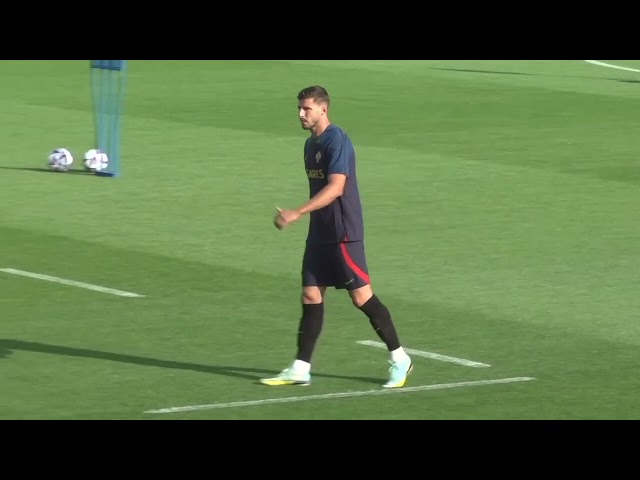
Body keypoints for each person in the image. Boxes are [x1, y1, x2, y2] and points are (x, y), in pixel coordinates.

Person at [260, 85, 413, 389]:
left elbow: (336, 188)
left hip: (344, 233)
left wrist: (297, 212)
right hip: (320, 233)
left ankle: (400, 358)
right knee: (311, 294)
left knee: (361, 297)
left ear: (323, 109)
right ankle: (301, 367)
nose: (301, 114)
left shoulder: (337, 140)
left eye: (306, 108)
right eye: (299, 108)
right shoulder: (309, 144)